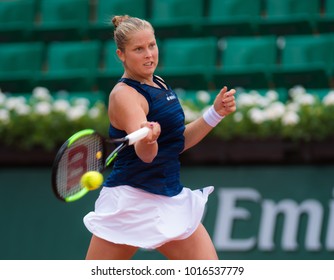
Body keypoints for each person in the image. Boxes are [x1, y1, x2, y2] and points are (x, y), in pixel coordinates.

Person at [83, 15, 236, 260]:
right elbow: (147, 155)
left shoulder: (160, 84)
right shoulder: (124, 96)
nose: (149, 55)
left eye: (152, 46)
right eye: (139, 49)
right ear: (121, 55)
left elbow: (177, 143)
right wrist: (149, 140)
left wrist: (215, 113)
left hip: (169, 197)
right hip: (130, 203)